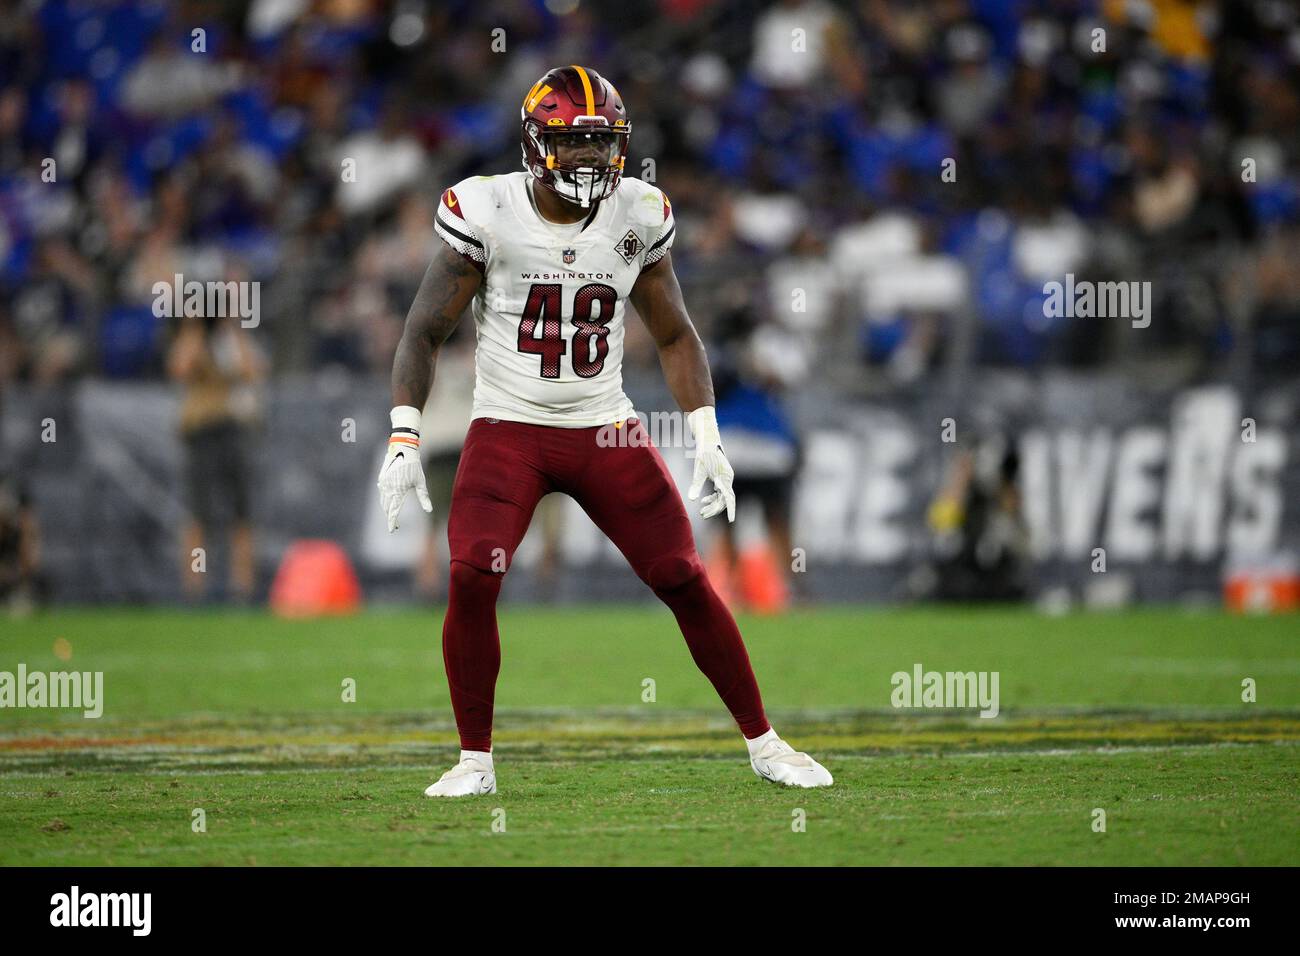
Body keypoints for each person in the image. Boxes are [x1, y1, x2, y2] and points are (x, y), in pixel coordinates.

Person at [377, 66, 832, 796]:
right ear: (535, 144)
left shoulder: (639, 212)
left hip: (603, 427)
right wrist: (405, 431)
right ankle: (475, 762)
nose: (590, 159)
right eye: (572, 142)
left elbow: (677, 336)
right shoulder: (485, 208)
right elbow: (423, 330)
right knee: (470, 576)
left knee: (684, 577)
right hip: (509, 425)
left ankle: (766, 743)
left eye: (601, 143)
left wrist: (706, 431)